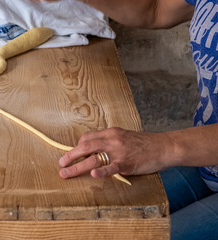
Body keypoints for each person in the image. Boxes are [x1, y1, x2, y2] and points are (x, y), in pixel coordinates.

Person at [34, 0, 218, 239]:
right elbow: (156, 11)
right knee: (81, 224)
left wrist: (163, 147)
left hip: (194, 154)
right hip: (207, 163)